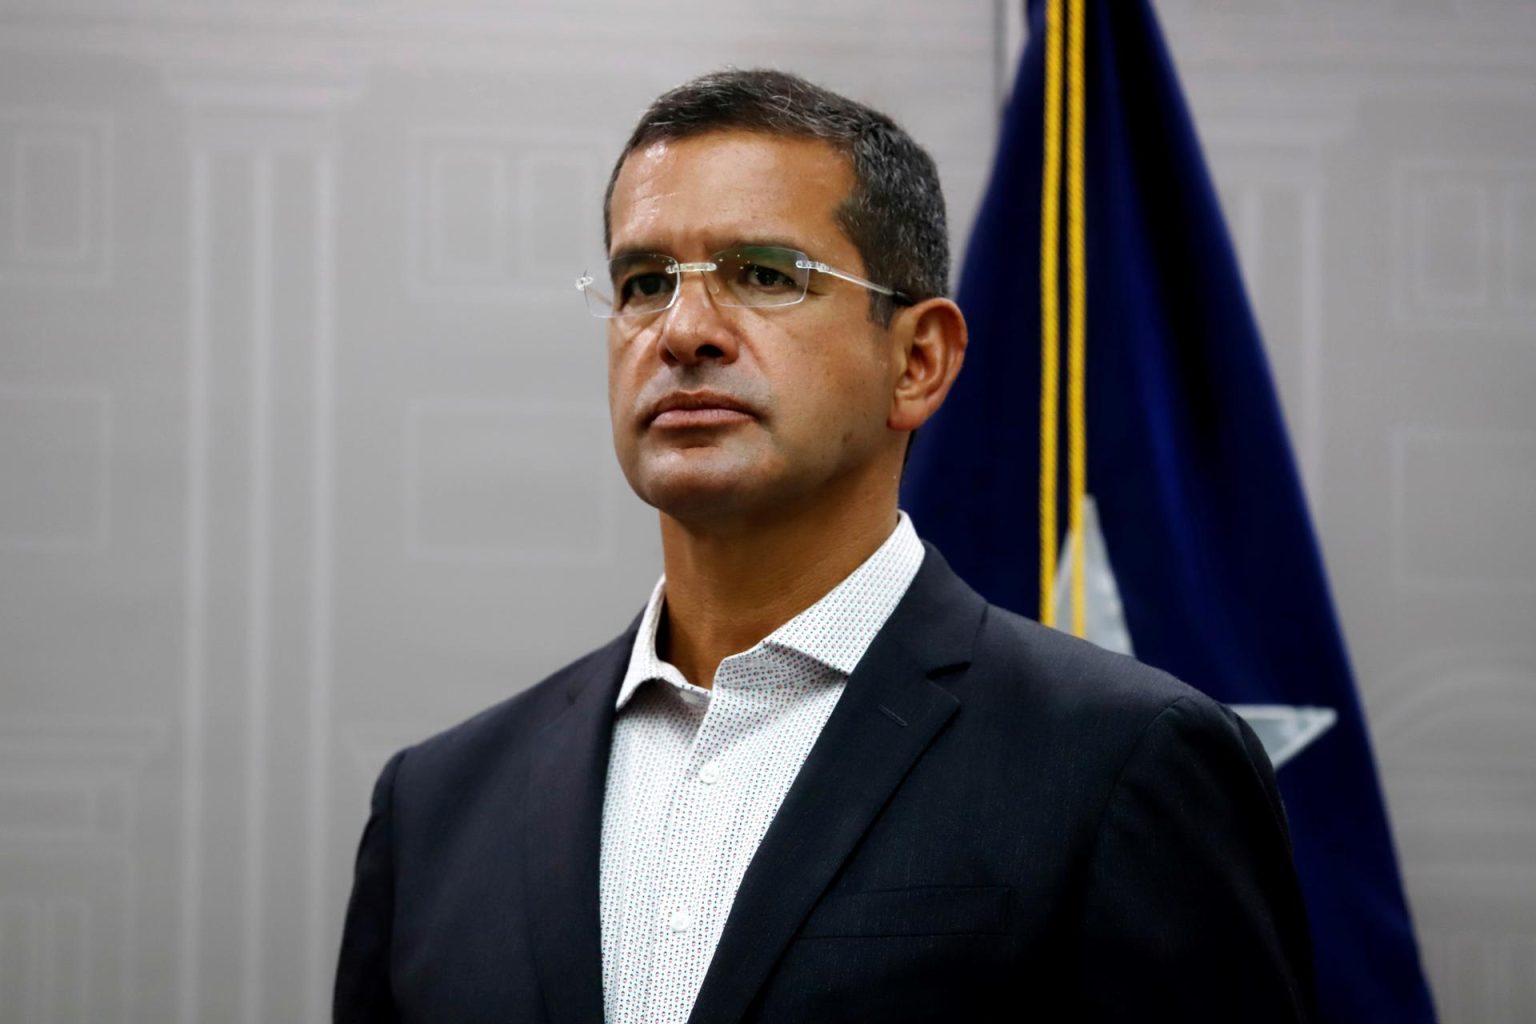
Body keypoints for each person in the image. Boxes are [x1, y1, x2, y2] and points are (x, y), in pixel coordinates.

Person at [334, 68, 1316, 1023]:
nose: (682, 332)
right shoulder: (438, 808)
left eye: (764, 274)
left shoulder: (1122, 761)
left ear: (918, 359)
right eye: (644, 281)